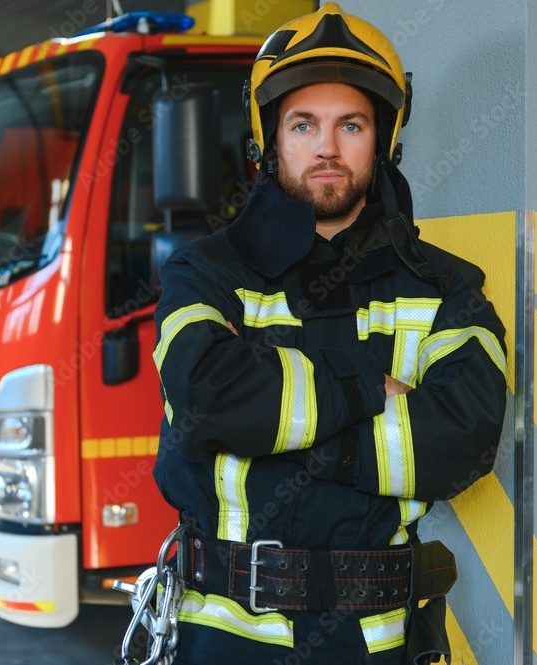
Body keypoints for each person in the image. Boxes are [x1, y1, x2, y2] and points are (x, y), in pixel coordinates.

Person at [150, 3, 508, 664]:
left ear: (384, 139)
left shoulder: (448, 290)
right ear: (269, 137)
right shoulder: (204, 272)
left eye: (351, 124)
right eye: (303, 123)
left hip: (380, 641)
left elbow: (463, 439)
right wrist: (366, 387)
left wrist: (275, 430)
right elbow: (206, 398)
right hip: (224, 640)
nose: (327, 147)